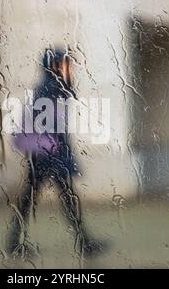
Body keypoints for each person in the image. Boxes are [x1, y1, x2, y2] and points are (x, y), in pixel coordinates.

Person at [7, 48, 106, 260]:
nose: (69, 68)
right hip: (49, 154)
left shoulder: (48, 86)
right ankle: (84, 243)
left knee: (37, 198)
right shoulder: (51, 87)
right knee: (53, 198)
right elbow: (51, 120)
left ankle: (15, 242)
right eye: (65, 64)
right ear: (55, 65)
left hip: (47, 152)